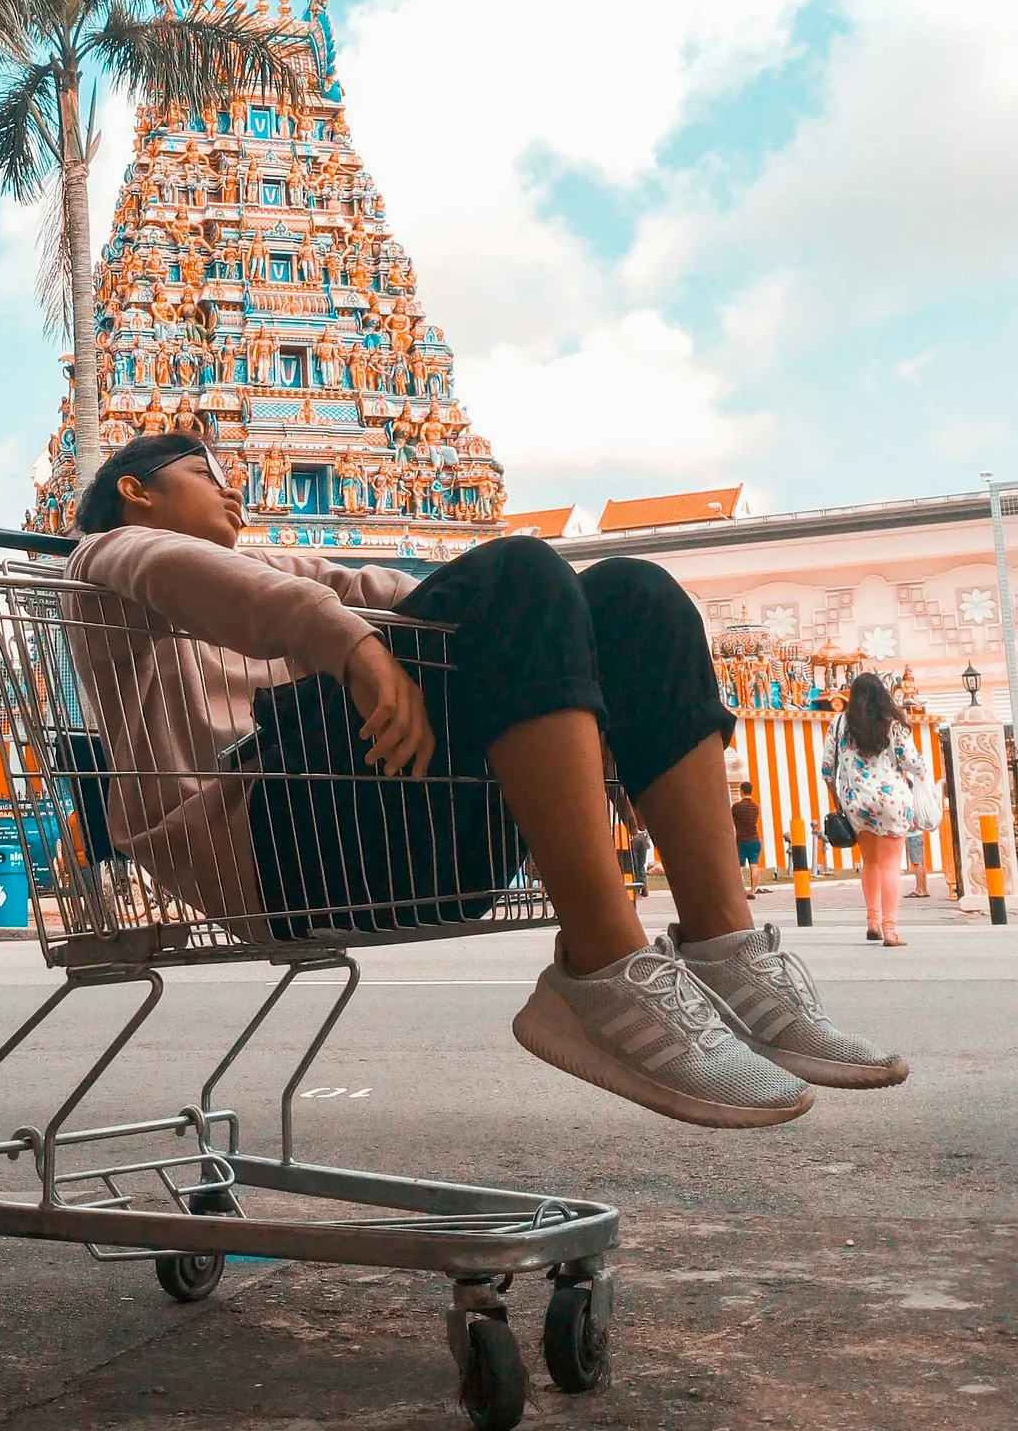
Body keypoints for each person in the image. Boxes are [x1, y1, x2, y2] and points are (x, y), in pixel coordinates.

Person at [64, 435, 908, 1133]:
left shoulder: (281, 565)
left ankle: (724, 950)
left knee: (631, 594)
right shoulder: (106, 556)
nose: (233, 492)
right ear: (135, 490)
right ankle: (601, 968)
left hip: (390, 827)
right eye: (203, 474)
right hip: (269, 843)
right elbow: (204, 581)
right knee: (520, 570)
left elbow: (404, 593)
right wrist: (355, 649)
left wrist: (571, 640)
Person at [822, 672, 924, 947]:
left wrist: (837, 800)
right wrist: (922, 770)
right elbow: (912, 761)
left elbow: (827, 770)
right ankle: (890, 928)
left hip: (857, 802)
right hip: (891, 801)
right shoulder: (892, 725)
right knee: (891, 865)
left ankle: (873, 921)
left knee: (870, 862)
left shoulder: (839, 724)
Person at [732, 781, 764, 899]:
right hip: (755, 840)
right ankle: (753, 891)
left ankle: (741, 891)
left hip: (741, 840)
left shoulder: (736, 807)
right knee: (754, 866)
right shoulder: (756, 808)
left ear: (741, 792)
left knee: (739, 867)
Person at [904, 827, 930, 898]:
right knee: (921, 862)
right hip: (919, 834)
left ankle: (919, 889)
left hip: (912, 836)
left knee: (917, 864)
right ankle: (924, 889)